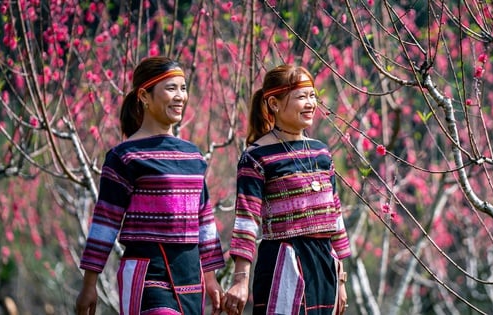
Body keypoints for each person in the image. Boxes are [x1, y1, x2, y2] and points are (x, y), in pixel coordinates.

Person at [75, 56, 225, 315]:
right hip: (147, 276)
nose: (180, 96)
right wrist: (90, 284)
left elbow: (205, 219)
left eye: (183, 88)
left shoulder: (193, 156)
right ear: (144, 95)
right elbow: (105, 221)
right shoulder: (124, 156)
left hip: (190, 279)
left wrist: (210, 278)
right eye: (171, 88)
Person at [222, 65, 351, 315]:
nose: (311, 103)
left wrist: (341, 280)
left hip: (325, 267)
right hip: (283, 264)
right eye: (302, 96)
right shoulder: (256, 157)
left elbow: (335, 215)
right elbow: (246, 221)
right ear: (274, 103)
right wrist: (240, 280)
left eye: (312, 95)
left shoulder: (321, 152)